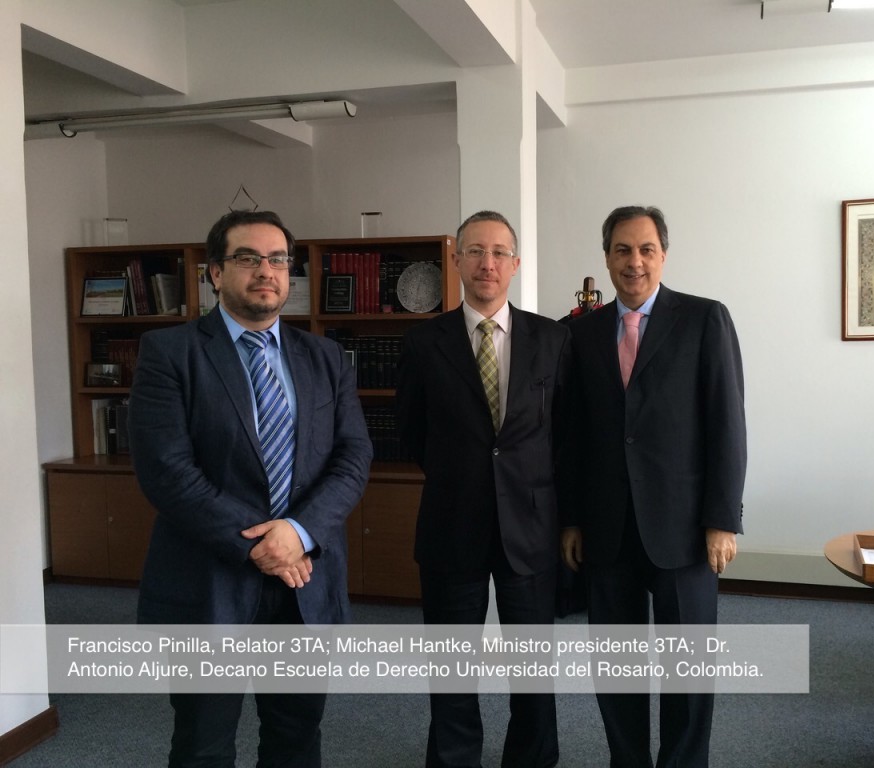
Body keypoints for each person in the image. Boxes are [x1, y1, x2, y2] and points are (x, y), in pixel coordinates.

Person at [128, 209, 373, 767]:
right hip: (209, 581)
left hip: (305, 582)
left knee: (296, 739)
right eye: (248, 258)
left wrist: (299, 532)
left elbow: (353, 456)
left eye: (278, 260)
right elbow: (167, 471)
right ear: (215, 272)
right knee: (203, 744)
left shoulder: (325, 357)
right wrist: (265, 544)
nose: (266, 270)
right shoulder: (170, 352)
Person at [560, 205, 746, 768]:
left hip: (684, 528)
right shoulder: (580, 332)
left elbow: (727, 425)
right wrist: (571, 519)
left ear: (663, 255)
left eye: (646, 249)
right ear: (606, 257)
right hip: (607, 529)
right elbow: (571, 435)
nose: (634, 261)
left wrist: (722, 520)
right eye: (622, 250)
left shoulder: (705, 319)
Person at [396, 210, 571, 768]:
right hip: (452, 524)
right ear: (457, 261)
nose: (486, 263)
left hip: (531, 527)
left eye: (498, 252)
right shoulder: (423, 343)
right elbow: (412, 431)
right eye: (475, 251)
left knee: (533, 671)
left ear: (515, 264)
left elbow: (564, 434)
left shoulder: (553, 339)